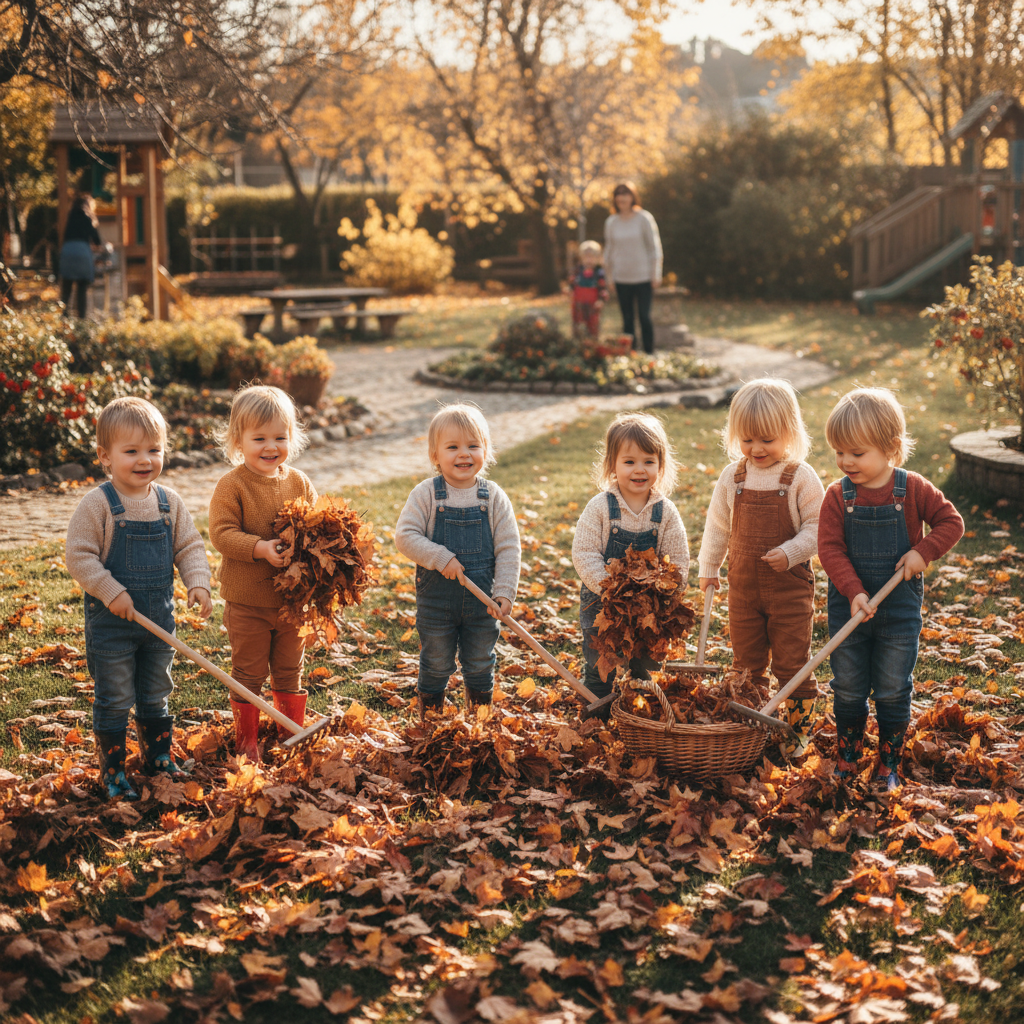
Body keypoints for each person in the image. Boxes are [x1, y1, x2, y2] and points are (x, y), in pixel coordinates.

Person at [65, 398, 212, 800]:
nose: (144, 459)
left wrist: (197, 580)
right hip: (113, 625)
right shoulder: (98, 505)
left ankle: (158, 757)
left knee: (155, 691)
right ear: (105, 457)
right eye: (131, 451)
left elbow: (189, 546)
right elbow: (78, 556)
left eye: (154, 449)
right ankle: (112, 771)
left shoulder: (169, 502)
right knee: (115, 696)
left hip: (158, 624)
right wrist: (112, 592)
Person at [819, 388, 963, 789]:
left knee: (891, 687)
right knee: (847, 685)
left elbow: (951, 523)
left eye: (857, 453)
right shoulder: (838, 495)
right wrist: (852, 590)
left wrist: (923, 551)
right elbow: (829, 548)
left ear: (891, 448)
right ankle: (848, 755)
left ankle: (888, 761)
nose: (846, 461)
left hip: (898, 609)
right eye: (839, 452)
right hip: (850, 606)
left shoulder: (912, 489)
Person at [698, 379, 825, 755]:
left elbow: (819, 528)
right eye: (747, 439)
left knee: (791, 664)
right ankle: (752, 726)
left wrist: (791, 552)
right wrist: (709, 566)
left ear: (790, 432)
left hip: (788, 590)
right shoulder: (732, 478)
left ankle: (798, 731)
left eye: (767, 440)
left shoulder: (800, 477)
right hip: (743, 591)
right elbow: (718, 526)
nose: (756, 449)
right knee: (746, 663)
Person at [209, 385, 318, 762]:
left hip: (291, 603)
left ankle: (289, 731)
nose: (271, 446)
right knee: (249, 671)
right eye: (259, 438)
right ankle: (247, 740)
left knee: (289, 669)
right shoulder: (233, 485)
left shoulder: (299, 482)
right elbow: (221, 533)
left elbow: (315, 528)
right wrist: (260, 548)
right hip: (248, 602)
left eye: (280, 437)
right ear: (238, 441)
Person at [396, 404, 521, 719]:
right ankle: (431, 719)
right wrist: (439, 557)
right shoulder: (427, 495)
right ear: (435, 455)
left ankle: (479, 718)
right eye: (452, 447)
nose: (464, 454)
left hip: (482, 603)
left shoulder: (492, 497)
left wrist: (504, 592)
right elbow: (405, 536)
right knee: (436, 662)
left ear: (485, 450)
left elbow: (509, 547)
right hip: (437, 603)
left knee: (480, 661)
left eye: (473, 445)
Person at [573, 412, 689, 711]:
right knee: (601, 665)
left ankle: (642, 715)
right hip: (605, 605)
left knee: (645, 667)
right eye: (629, 462)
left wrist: (669, 592)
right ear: (613, 465)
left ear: (660, 465)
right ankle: (596, 715)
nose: (640, 470)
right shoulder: (600, 508)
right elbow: (584, 552)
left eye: (649, 461)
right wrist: (608, 589)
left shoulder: (664, 512)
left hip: (649, 609)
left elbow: (678, 558)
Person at [603, 181, 663, 355]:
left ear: (632, 196)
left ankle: (649, 354)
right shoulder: (611, 222)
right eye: (618, 193)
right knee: (627, 319)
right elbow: (609, 250)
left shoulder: (644, 218)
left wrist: (656, 273)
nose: (622, 197)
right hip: (621, 278)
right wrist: (609, 277)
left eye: (625, 193)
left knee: (644, 316)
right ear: (615, 198)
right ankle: (631, 355)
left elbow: (654, 247)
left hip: (644, 277)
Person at [59, 194, 102, 319]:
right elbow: (97, 240)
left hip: (67, 251)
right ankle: (81, 320)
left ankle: (64, 318)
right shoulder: (89, 217)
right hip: (82, 252)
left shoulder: (70, 216)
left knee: (66, 289)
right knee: (82, 289)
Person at [569, 240, 609, 340]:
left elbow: (602, 287)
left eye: (592, 257)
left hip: (593, 304)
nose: (589, 260)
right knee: (578, 323)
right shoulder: (578, 270)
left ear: (597, 258)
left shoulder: (599, 272)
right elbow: (572, 282)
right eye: (586, 257)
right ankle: (578, 343)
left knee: (592, 324)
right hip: (579, 302)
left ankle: (592, 343)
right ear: (581, 258)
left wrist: (601, 300)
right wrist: (569, 289)